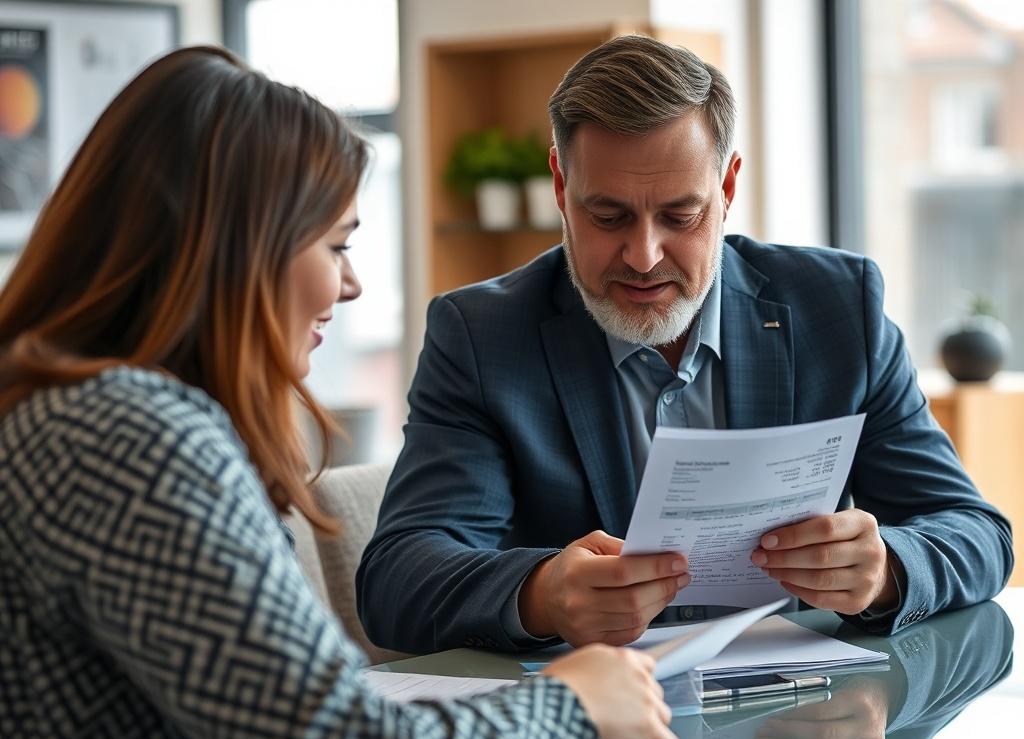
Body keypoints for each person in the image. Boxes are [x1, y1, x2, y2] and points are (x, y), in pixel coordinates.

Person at [0, 46, 680, 739]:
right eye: (335, 246)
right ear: (240, 251)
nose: (349, 285)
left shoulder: (82, 416)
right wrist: (576, 707)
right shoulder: (128, 439)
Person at [357, 34, 1013, 655]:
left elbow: (977, 533)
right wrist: (540, 595)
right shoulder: (482, 336)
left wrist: (886, 569)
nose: (643, 256)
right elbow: (396, 580)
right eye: (608, 216)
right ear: (560, 185)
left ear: (727, 188)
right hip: (592, 710)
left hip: (801, 702)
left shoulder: (838, 309)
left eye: (680, 215)